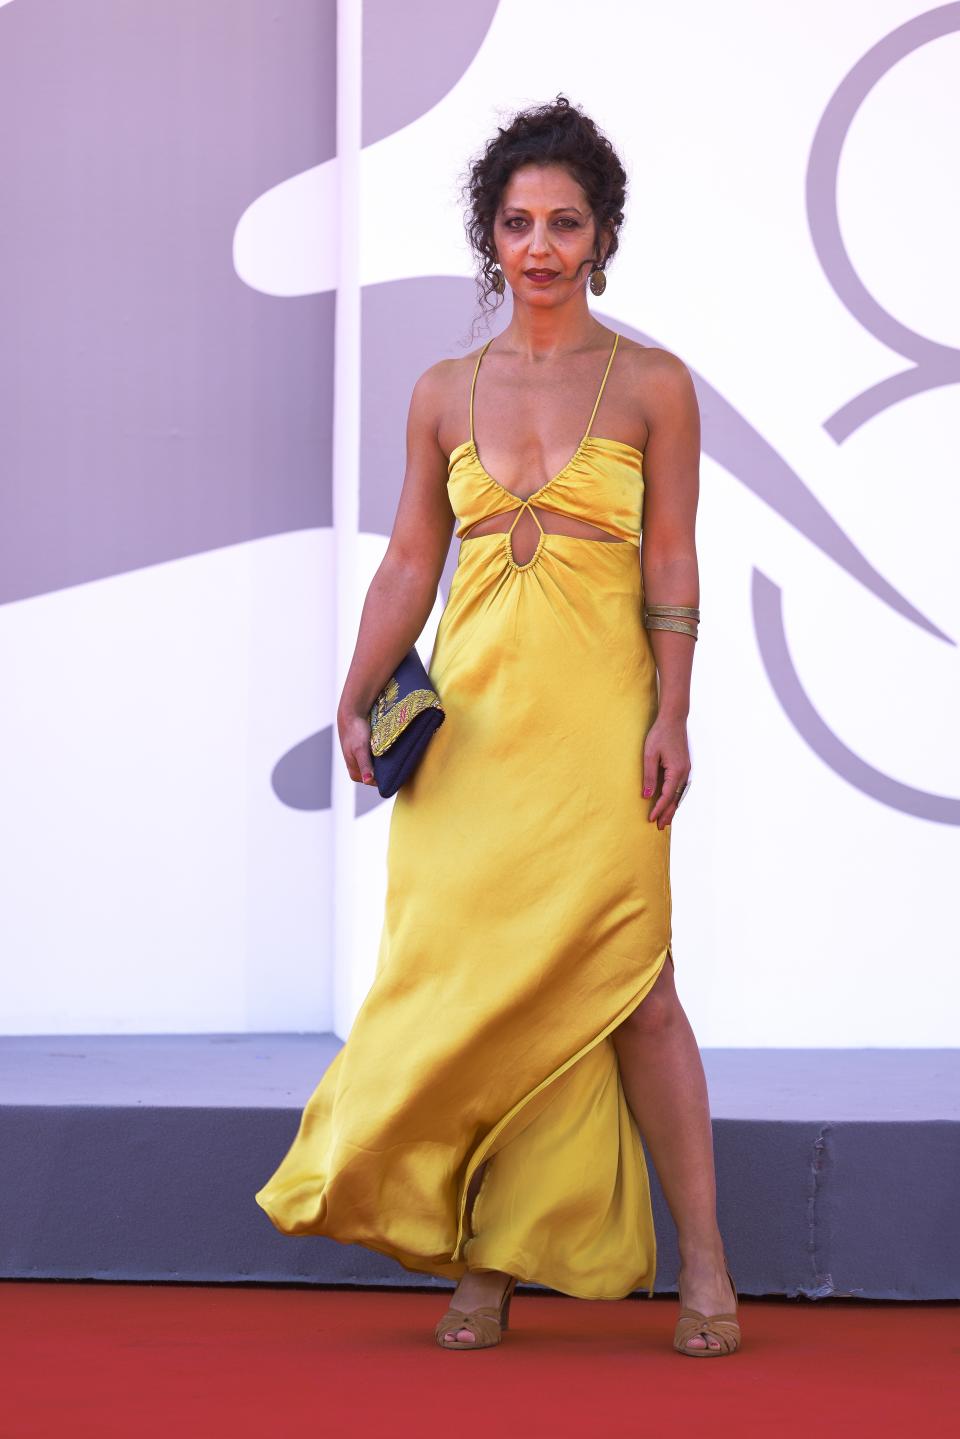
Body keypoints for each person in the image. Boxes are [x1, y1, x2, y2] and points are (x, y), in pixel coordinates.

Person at [255, 94, 741, 1358]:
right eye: (518, 223)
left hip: (598, 724)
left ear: (603, 234)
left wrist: (674, 713)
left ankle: (708, 1268)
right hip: (471, 731)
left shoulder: (653, 384)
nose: (541, 246)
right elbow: (410, 559)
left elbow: (676, 567)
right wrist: (355, 690)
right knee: (480, 986)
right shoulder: (440, 389)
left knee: (639, 992)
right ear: (490, 236)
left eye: (565, 223)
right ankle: (485, 1265)